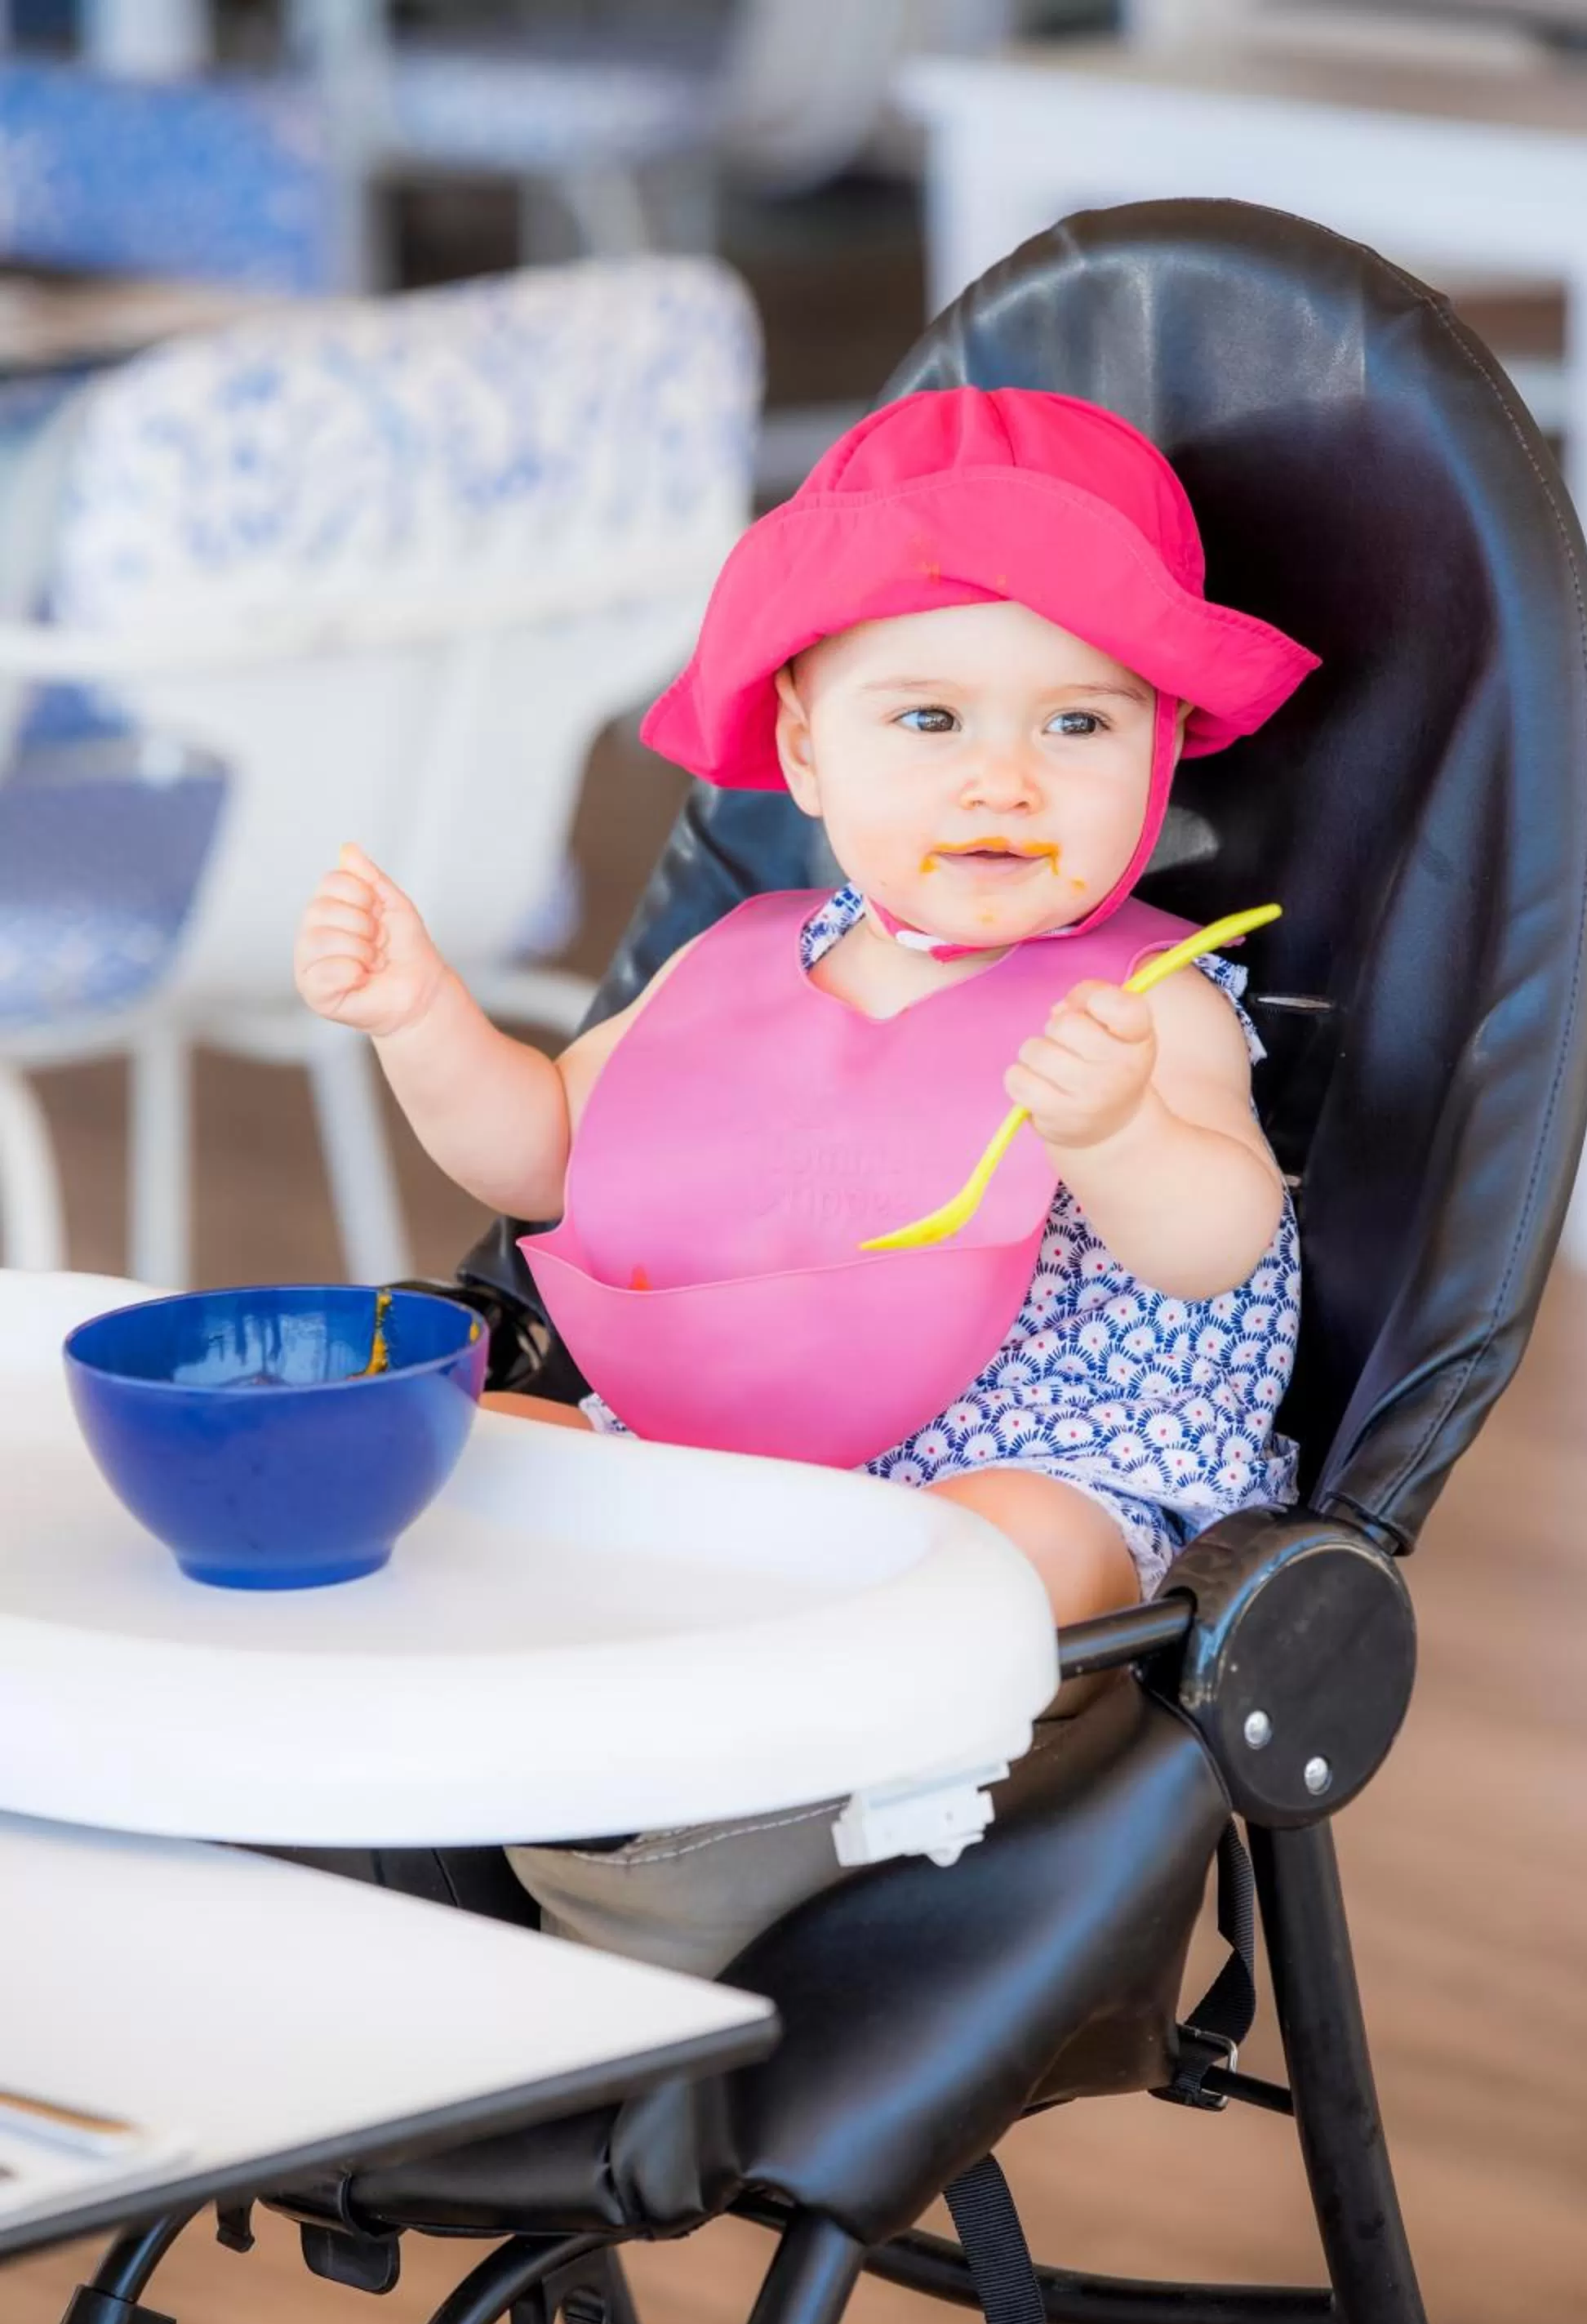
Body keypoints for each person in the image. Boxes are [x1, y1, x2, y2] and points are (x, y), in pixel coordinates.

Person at [294, 388, 1318, 1975]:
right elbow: (547, 1156)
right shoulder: (741, 959)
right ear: (802, 750)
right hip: (731, 1448)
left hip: (1034, 1457)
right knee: (467, 1445)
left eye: (1079, 724)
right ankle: (424, 1732)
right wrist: (423, 1023)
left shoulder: (1145, 1004)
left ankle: (751, 1784)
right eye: (929, 721)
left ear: (1163, 744)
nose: (1004, 781)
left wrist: (1120, 1135)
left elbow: (1217, 1242)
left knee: (1012, 1549)